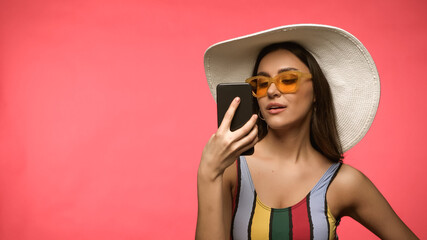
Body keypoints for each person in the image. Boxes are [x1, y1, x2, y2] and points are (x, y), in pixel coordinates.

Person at [196, 24, 418, 240]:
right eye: (261, 83)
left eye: (288, 80)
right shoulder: (230, 169)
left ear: (316, 93)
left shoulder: (344, 183)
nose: (272, 91)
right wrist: (208, 172)